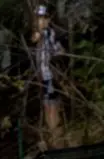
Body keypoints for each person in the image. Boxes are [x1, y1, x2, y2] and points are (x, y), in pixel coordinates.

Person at [31, 4, 64, 148]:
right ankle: (51, 134)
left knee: (52, 104)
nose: (41, 21)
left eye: (44, 18)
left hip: (49, 74)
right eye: (39, 18)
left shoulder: (49, 33)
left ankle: (55, 135)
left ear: (48, 19)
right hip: (42, 75)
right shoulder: (40, 33)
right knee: (46, 103)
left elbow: (57, 50)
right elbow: (34, 40)